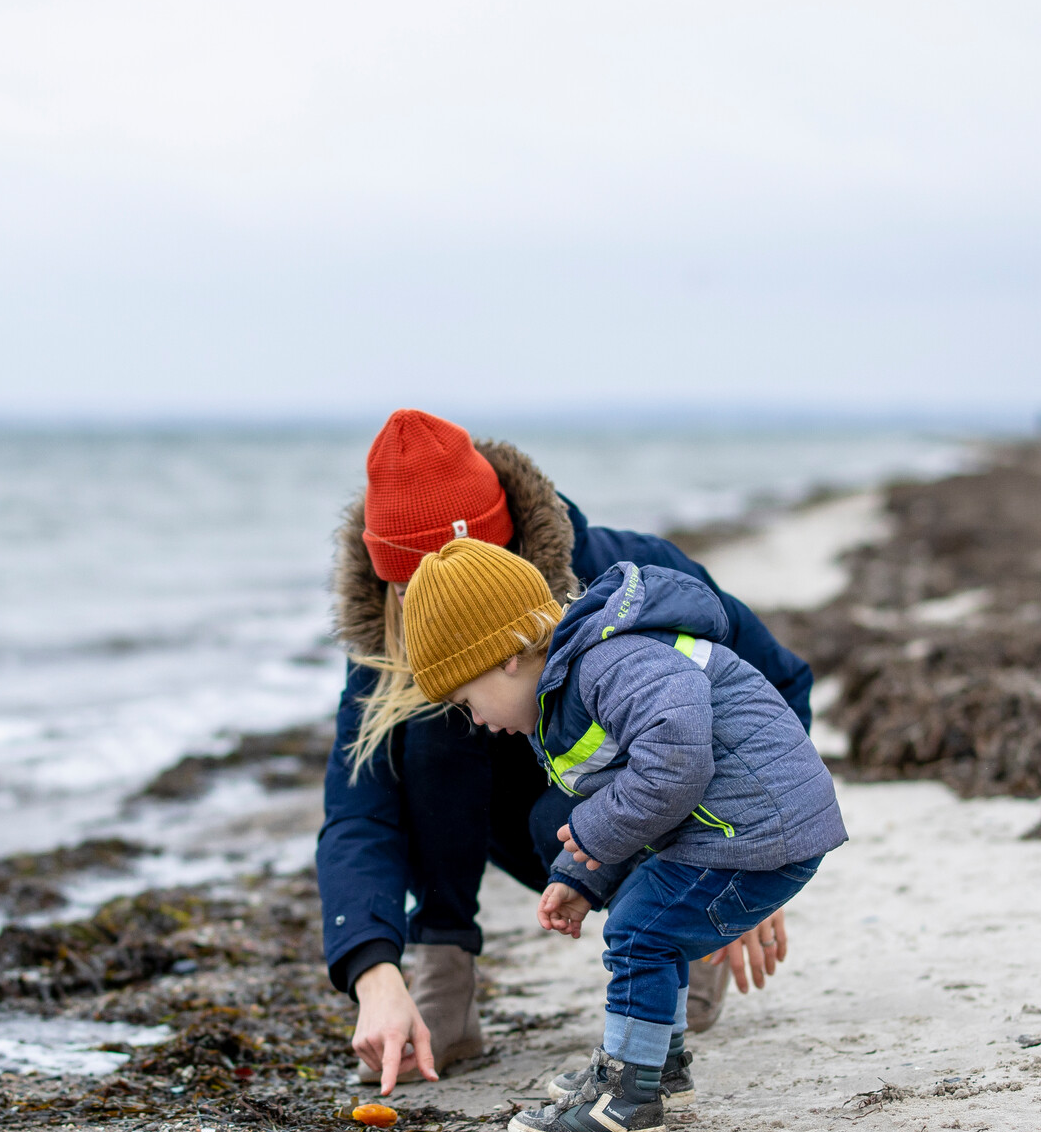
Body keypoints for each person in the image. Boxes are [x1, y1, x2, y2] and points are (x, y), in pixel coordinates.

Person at [320, 409, 816, 1095]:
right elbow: (358, 813)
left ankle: (685, 924)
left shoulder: (629, 576)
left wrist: (748, 851)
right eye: (414, 591)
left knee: (665, 752)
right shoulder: (391, 636)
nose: (436, 599)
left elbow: (776, 683)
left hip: (657, 809)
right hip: (529, 826)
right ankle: (443, 969)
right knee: (433, 725)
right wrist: (375, 973)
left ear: (513, 545)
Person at [401, 538, 848, 1132]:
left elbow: (675, 764)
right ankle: (656, 1068)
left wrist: (590, 834)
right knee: (644, 909)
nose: (476, 722)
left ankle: (628, 1098)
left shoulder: (610, 664)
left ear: (504, 656)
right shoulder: (568, 691)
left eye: (466, 700)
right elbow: (624, 800)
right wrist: (579, 874)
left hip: (756, 828)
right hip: (732, 825)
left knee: (641, 929)